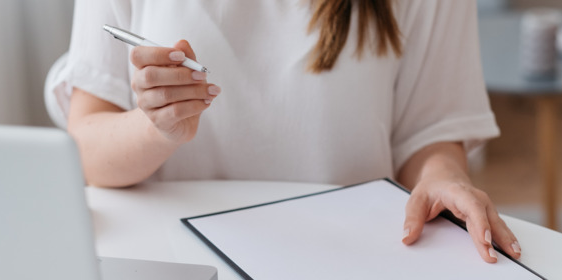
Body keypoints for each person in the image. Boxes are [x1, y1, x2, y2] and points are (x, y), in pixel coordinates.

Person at [52, 0, 522, 263]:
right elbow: (87, 150)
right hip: (172, 265)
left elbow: (429, 131)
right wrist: (156, 128)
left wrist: (445, 177)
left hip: (349, 266)